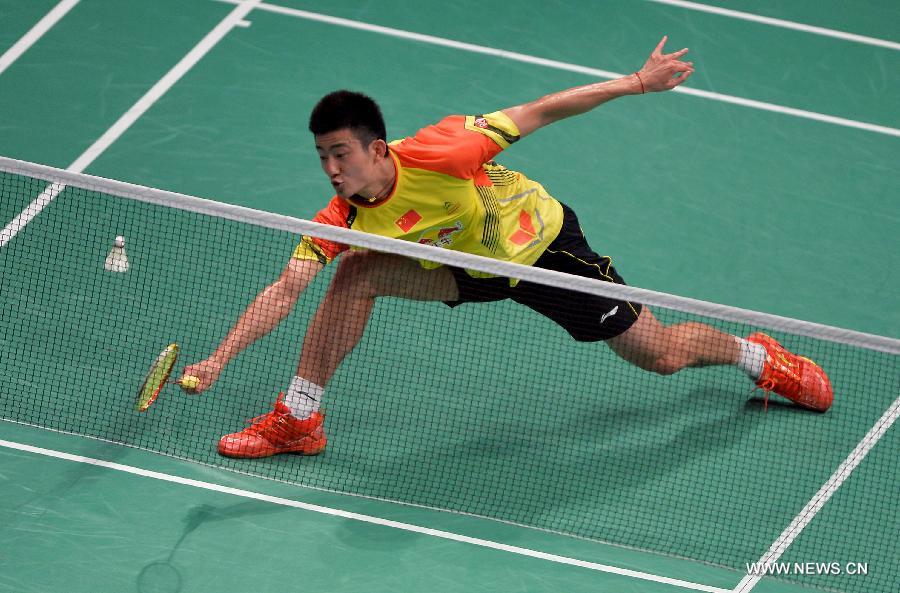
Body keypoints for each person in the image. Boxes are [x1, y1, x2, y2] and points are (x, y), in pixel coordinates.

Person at [181, 37, 833, 459]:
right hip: (469, 267)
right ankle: (299, 417)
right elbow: (286, 286)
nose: (331, 168)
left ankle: (757, 356)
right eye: (323, 155)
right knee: (352, 273)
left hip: (546, 250)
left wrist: (635, 81)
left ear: (377, 149)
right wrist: (219, 357)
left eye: (341, 153)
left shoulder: (446, 148)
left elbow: (543, 109)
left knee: (658, 355)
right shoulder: (342, 216)